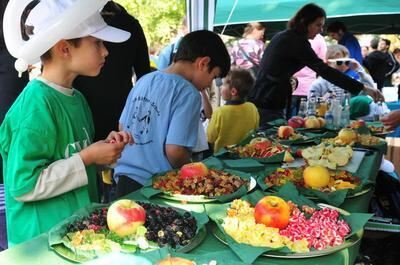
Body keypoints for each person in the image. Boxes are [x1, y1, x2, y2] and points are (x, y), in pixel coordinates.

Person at [0, 0, 132, 246]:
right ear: (64, 48)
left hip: (77, 236)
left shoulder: (78, 99)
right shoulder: (35, 106)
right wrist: (88, 157)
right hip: (42, 244)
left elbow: (69, 162)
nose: (106, 51)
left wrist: (102, 152)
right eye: (97, 43)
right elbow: (24, 186)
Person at [114, 30, 230, 197]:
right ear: (203, 63)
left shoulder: (144, 80)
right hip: (157, 187)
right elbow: (175, 150)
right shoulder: (189, 93)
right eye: (213, 77)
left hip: (124, 179)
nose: (208, 84)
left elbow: (122, 126)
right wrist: (192, 172)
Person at [248, 3, 382, 129]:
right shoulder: (296, 41)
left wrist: (289, 76)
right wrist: (364, 88)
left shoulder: (286, 37)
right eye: (318, 25)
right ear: (305, 22)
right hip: (268, 101)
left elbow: (276, 66)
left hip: (265, 96)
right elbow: (323, 70)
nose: (321, 30)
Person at [73, 1, 151, 142]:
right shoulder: (74, 20)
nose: (104, 52)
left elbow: (144, 76)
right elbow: (144, 76)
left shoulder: (129, 24)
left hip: (113, 114)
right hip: (91, 110)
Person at [207, 68, 259, 153]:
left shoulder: (220, 112)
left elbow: (210, 137)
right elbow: (255, 129)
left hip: (223, 158)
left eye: (223, 85)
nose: (220, 88)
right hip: (246, 155)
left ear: (233, 91)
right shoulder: (252, 108)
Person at [308, 44, 375, 102]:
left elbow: (371, 90)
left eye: (347, 62)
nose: (344, 65)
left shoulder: (350, 82)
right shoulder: (319, 83)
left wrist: (359, 70)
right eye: (339, 62)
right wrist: (326, 98)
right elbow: (311, 107)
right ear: (328, 63)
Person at [292, 33, 327, 115]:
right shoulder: (319, 39)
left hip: (291, 87)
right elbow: (323, 62)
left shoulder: (291, 36)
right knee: (306, 122)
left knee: (288, 121)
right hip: (309, 87)